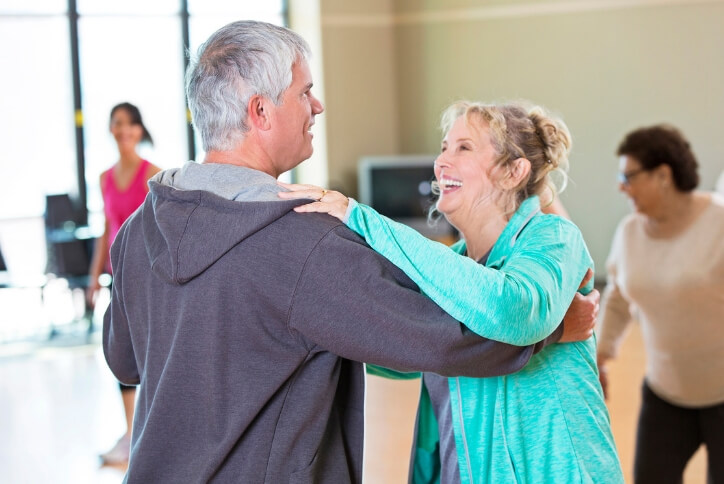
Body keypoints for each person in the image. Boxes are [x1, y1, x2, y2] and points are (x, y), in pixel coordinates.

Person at [102, 21, 597, 482]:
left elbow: (125, 360)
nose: (316, 107)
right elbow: (448, 335)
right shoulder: (303, 241)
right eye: (305, 93)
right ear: (260, 112)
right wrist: (546, 333)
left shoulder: (137, 229)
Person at [280, 101, 623, 483]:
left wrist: (364, 220)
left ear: (513, 171)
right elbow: (403, 350)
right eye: (444, 147)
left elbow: (510, 310)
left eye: (464, 147)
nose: (441, 161)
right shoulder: (452, 266)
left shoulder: (554, 238)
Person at [597, 125, 724, 483]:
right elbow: (620, 297)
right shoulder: (629, 232)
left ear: (664, 175)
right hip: (666, 396)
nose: (622, 187)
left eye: (629, 176)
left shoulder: (719, 221)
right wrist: (602, 353)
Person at [87, 102, 161, 465]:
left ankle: (152, 431)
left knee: (150, 354)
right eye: (118, 123)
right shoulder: (104, 178)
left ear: (139, 130)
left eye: (130, 124)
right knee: (122, 353)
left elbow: (162, 229)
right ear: (111, 129)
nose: (124, 130)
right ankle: (132, 434)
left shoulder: (154, 175)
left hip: (147, 277)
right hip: (118, 279)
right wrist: (93, 277)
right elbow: (106, 231)